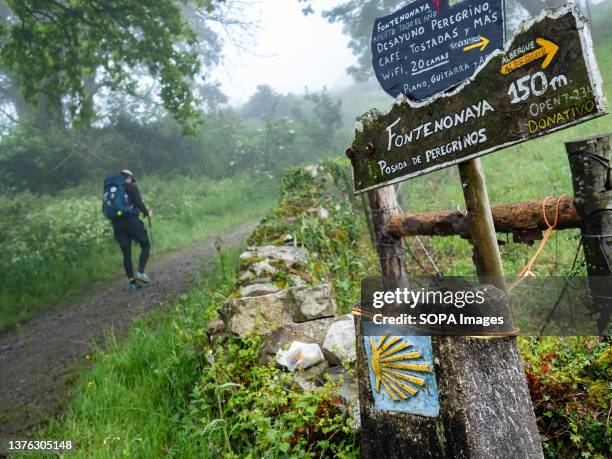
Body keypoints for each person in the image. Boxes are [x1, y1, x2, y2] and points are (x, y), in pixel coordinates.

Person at [109, 169, 153, 289]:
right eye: (131, 179)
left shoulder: (113, 190)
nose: (131, 181)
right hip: (130, 221)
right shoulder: (131, 187)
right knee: (145, 244)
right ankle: (140, 272)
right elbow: (138, 203)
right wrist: (147, 212)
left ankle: (132, 283)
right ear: (128, 178)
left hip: (116, 223)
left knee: (126, 253)